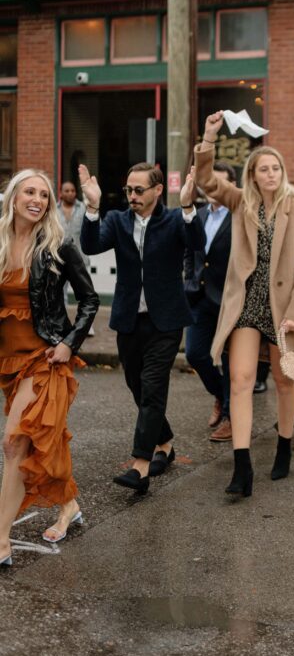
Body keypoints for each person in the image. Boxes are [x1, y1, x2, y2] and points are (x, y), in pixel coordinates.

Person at [194, 113, 294, 498]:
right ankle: (242, 466)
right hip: (246, 306)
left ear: (282, 172)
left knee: (285, 380)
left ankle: (283, 445)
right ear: (252, 174)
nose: (270, 173)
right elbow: (206, 181)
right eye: (263, 168)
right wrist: (209, 138)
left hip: (284, 309)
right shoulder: (240, 201)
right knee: (240, 380)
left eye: (275, 167)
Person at [79, 161, 204, 495]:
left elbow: (196, 241)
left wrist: (189, 206)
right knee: (136, 385)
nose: (132, 196)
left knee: (152, 387)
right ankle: (164, 443)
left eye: (139, 190)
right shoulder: (119, 220)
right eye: (128, 190)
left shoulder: (176, 219)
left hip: (166, 321)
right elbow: (91, 246)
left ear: (158, 190)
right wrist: (93, 206)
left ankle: (140, 466)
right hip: (129, 319)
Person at [0, 170, 98, 564]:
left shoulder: (58, 245)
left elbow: (89, 300)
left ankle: (1, 538)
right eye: (29, 191)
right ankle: (69, 504)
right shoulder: (2, 243)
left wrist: (68, 342)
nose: (37, 199)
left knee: (15, 442)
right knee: (44, 437)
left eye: (44, 194)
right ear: (13, 197)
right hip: (7, 358)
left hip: (43, 358)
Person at [184, 161, 235, 442]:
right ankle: (218, 393)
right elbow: (189, 251)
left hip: (228, 300)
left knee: (230, 360)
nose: (215, 187)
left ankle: (229, 416)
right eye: (211, 182)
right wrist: (188, 279)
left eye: (222, 182)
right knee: (195, 353)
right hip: (199, 297)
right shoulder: (199, 214)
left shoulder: (240, 216)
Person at [57, 180, 95, 337]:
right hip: (58, 259)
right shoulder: (53, 209)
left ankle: (86, 326)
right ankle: (62, 326)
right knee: (60, 295)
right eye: (67, 190)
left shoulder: (83, 208)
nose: (70, 193)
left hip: (80, 259)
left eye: (73, 190)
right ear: (61, 193)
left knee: (85, 294)